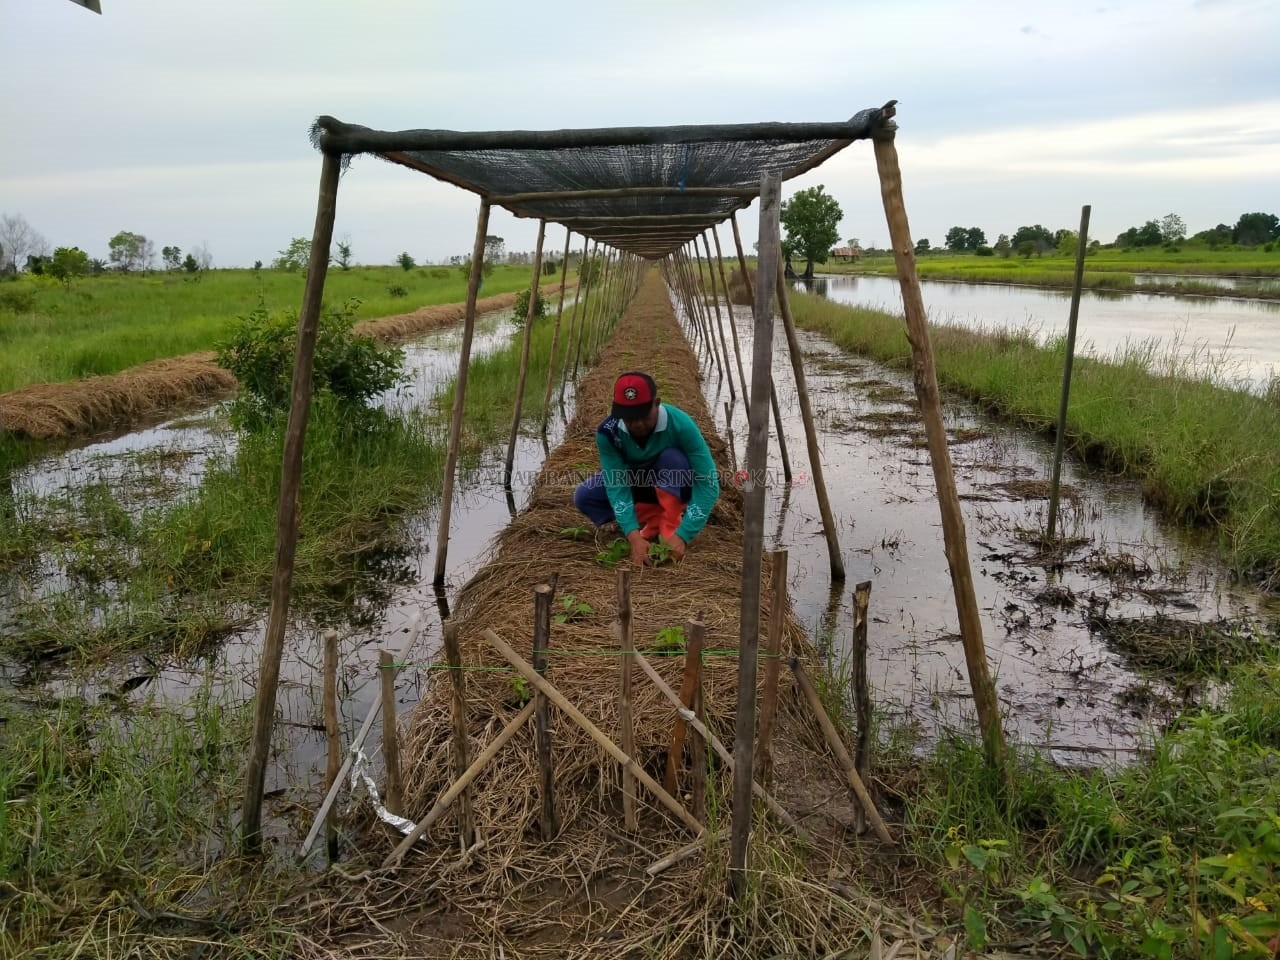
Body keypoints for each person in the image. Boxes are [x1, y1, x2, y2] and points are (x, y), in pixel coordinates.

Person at [573, 372, 720, 567]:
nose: (638, 424)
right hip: (638, 482)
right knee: (585, 496)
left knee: (672, 460)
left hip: (677, 483)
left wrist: (683, 536)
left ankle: (671, 523)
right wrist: (633, 537)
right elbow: (617, 484)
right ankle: (651, 519)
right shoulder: (608, 433)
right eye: (630, 419)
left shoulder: (681, 424)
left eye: (643, 416)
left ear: (657, 403)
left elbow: (708, 482)